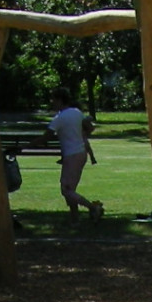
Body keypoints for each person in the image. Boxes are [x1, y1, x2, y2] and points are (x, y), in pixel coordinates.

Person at [43, 86, 102, 221]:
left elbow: (46, 137)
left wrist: (27, 146)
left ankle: (93, 208)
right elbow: (90, 127)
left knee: (66, 190)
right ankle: (74, 218)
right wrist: (79, 136)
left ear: (59, 100)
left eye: (53, 99)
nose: (51, 102)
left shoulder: (59, 118)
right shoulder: (76, 112)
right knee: (71, 189)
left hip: (72, 155)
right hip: (80, 154)